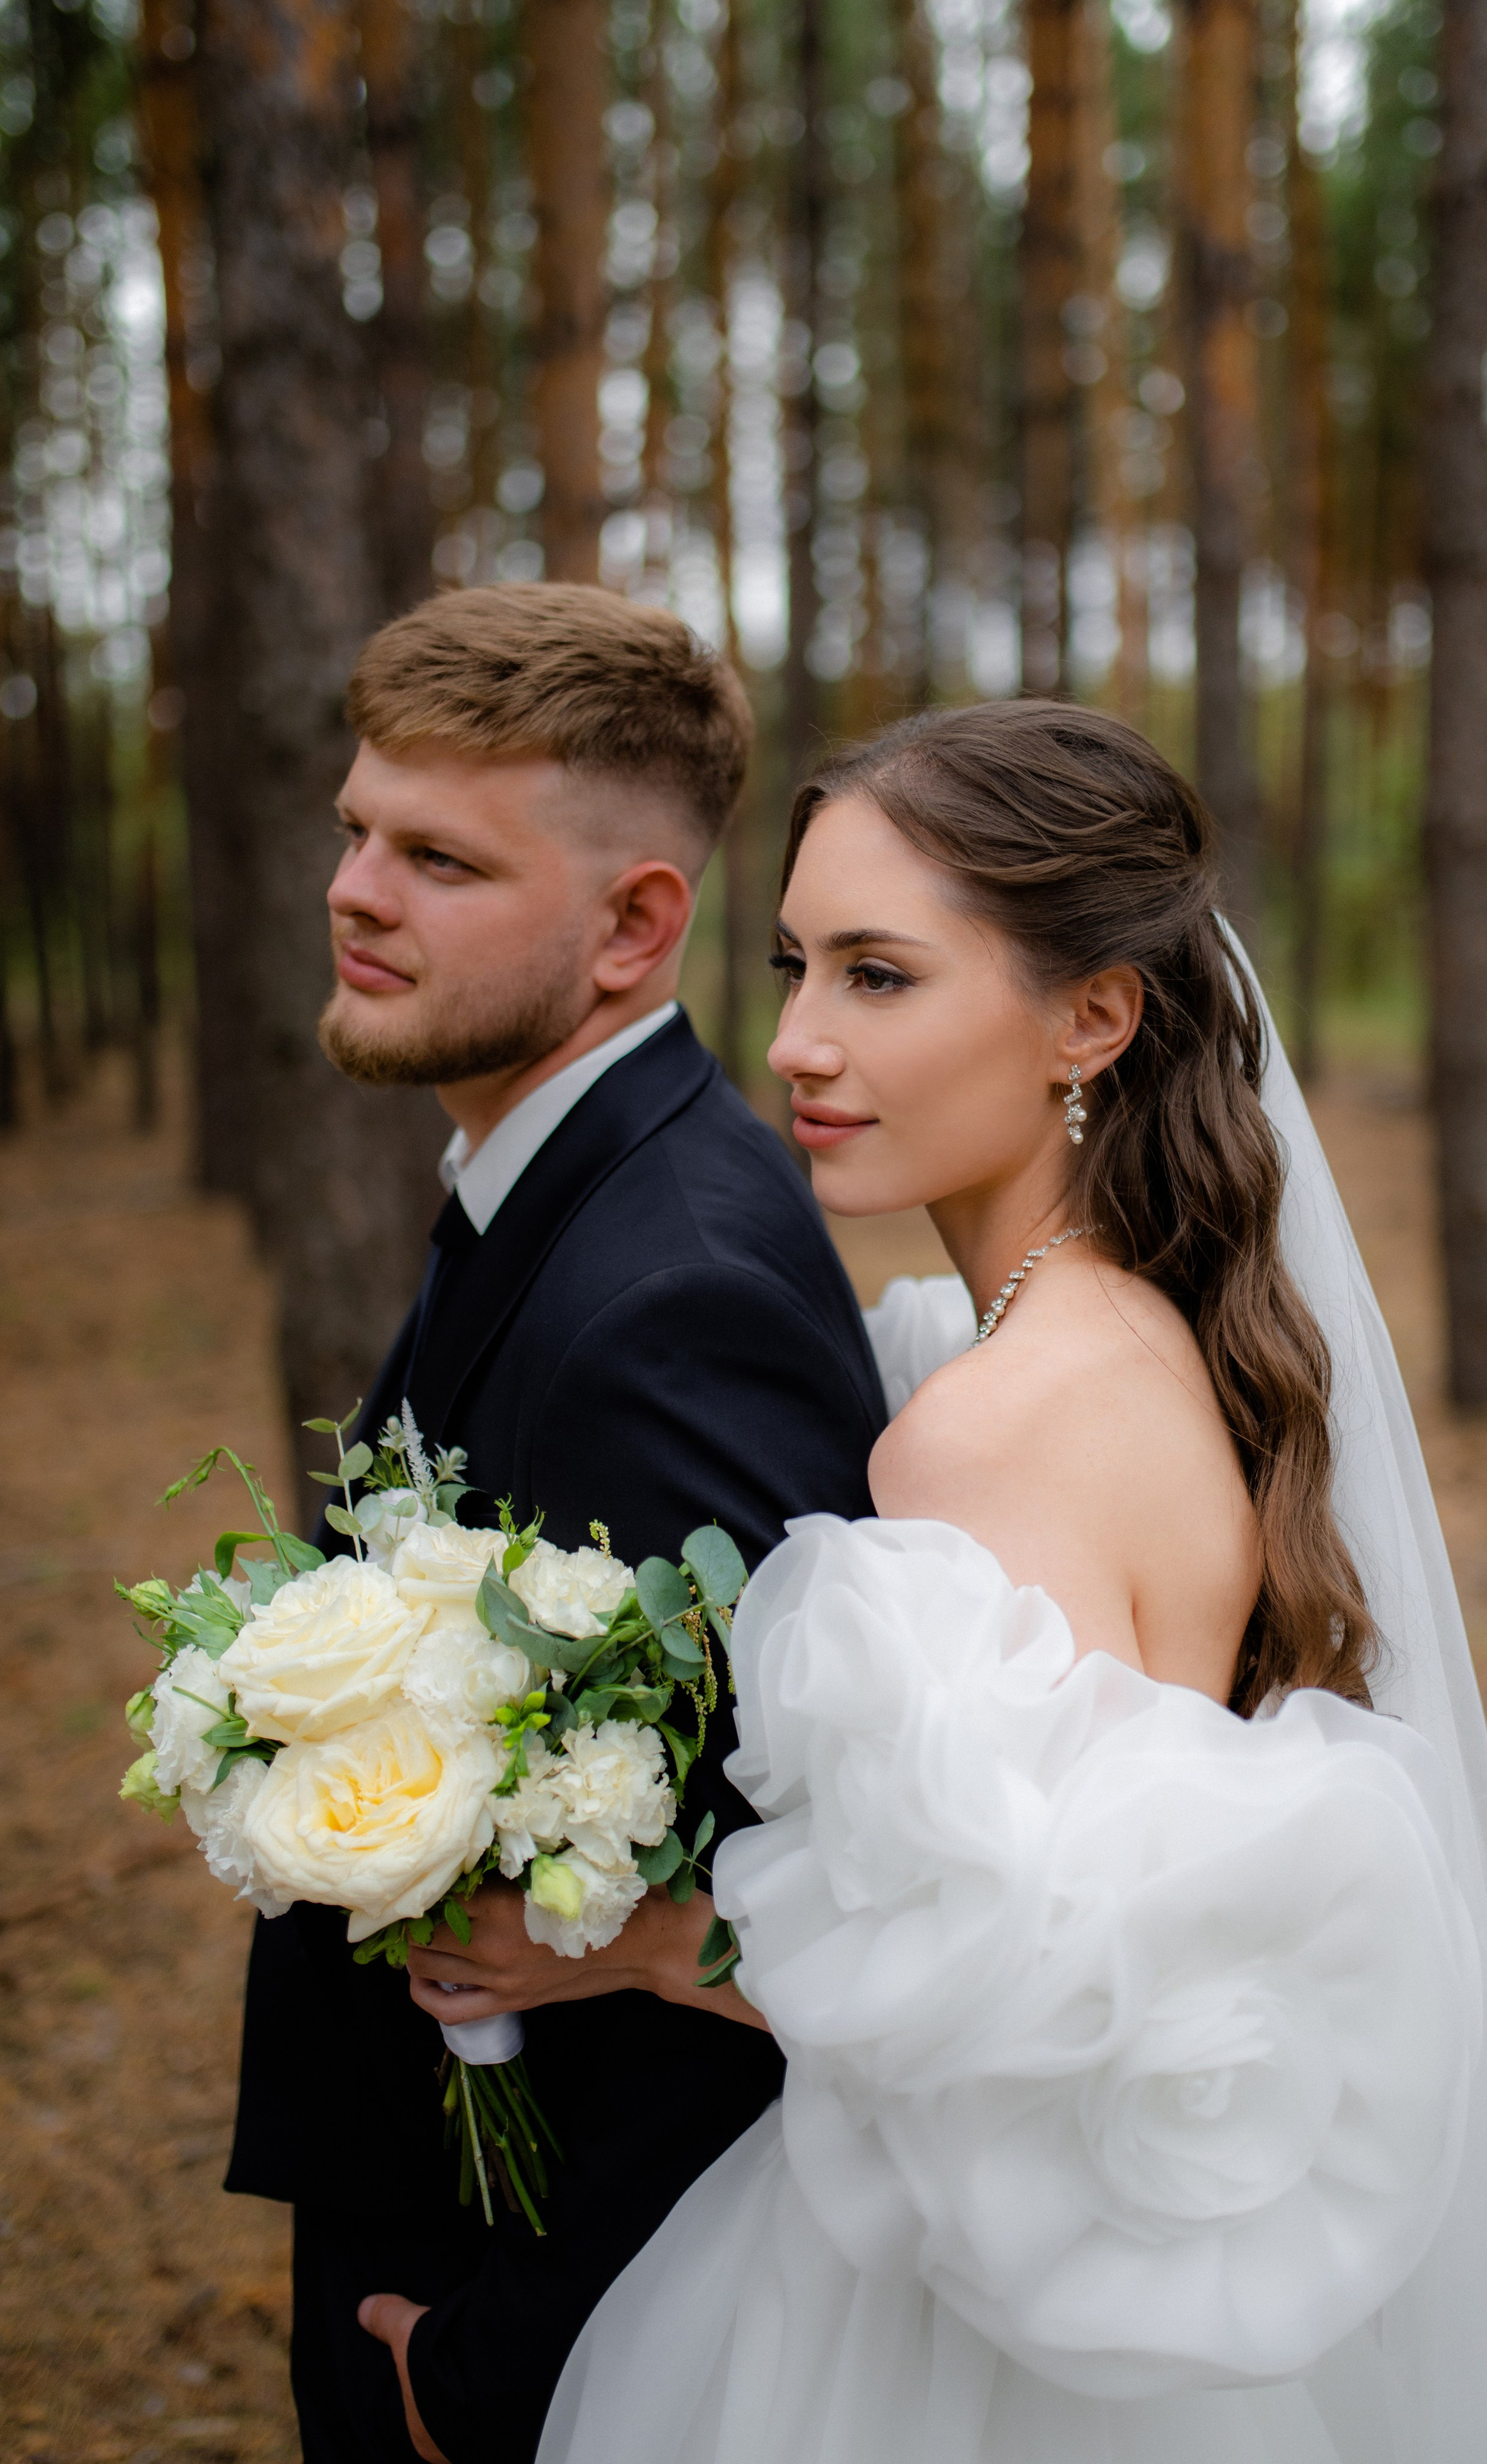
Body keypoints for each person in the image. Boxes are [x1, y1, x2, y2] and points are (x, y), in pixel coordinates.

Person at [524, 700, 1487, 2464]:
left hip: (962, 2345)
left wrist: (627, 1942)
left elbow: (1027, 1993)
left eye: (880, 978)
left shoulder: (996, 1424)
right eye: (795, 965)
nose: (798, 1043)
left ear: (1091, 1018)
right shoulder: (1137, 1330)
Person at [220, 583, 887, 2464]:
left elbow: (754, 1878)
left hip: (523, 2326)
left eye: (439, 858)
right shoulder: (564, 1180)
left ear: (634, 927)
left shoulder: (673, 1291)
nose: (356, 890)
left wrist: (497, 2371)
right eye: (357, 829)